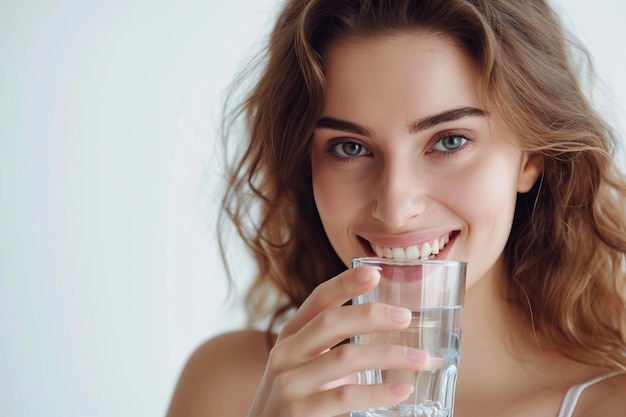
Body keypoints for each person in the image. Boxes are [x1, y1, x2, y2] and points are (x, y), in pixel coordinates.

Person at [166, 0, 626, 416]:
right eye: (349, 148)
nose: (395, 207)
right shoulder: (227, 386)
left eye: (449, 141)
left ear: (530, 158)